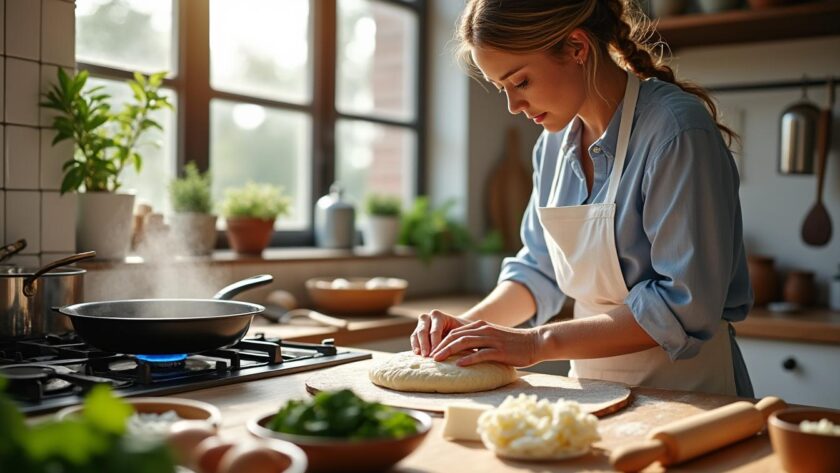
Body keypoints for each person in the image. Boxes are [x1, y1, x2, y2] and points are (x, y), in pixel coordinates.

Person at [410, 0, 754, 397]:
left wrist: (536, 343)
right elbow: (539, 270)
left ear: (576, 48)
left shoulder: (676, 133)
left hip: (692, 395)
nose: (513, 106)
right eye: (502, 88)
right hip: (594, 392)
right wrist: (465, 328)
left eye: (520, 82)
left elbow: (682, 305)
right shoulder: (552, 147)